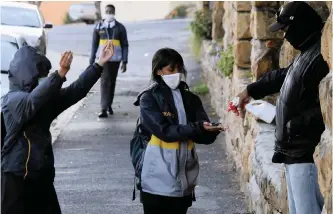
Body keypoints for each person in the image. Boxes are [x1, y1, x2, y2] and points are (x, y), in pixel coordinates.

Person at [232, 2, 329, 214]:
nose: (285, 36)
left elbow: (323, 109)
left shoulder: (320, 57)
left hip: (304, 154)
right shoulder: (308, 54)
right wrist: (250, 90)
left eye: (287, 29)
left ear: (300, 25)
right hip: (294, 153)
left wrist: (294, 125)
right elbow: (283, 76)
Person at [1, 41, 114, 214]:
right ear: (28, 76)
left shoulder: (45, 102)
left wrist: (98, 64)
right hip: (16, 178)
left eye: (46, 76)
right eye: (41, 75)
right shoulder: (13, 100)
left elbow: (75, 91)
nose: (44, 79)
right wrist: (59, 74)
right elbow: (30, 103)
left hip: (41, 174)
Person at [133, 48, 226, 214]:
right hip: (155, 179)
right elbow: (165, 132)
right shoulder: (149, 99)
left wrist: (212, 130)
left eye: (179, 69)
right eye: (171, 69)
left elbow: (203, 136)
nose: (177, 73)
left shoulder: (191, 99)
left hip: (184, 177)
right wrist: (197, 127)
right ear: (158, 71)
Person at [90, 4, 129, 118]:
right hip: (103, 60)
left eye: (111, 11)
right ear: (104, 12)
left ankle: (109, 105)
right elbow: (94, 45)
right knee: (105, 82)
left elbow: (125, 45)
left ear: (114, 12)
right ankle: (103, 108)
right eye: (107, 11)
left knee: (111, 82)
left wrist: (124, 61)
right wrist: (91, 59)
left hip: (115, 60)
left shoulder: (120, 28)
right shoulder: (98, 27)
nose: (109, 14)